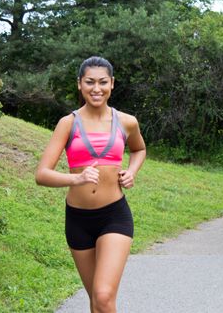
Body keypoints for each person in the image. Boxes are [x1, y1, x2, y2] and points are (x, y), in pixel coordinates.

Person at [35, 56, 146, 313]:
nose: (96, 89)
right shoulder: (68, 123)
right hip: (78, 220)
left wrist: (131, 171)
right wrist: (77, 177)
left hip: (114, 216)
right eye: (90, 82)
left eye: (103, 82)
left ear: (112, 84)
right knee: (96, 302)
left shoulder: (127, 122)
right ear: (79, 85)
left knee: (104, 296)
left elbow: (139, 149)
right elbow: (42, 174)